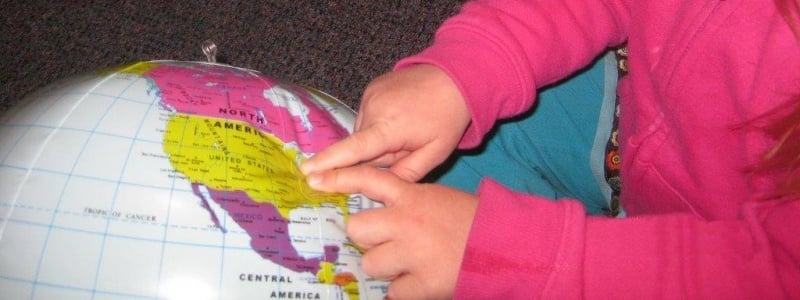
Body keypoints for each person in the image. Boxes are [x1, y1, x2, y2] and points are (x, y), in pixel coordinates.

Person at [300, 0, 800, 298]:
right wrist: (466, 68)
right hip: (636, 117)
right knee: (385, 207)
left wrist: (527, 259)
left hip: (735, 268)